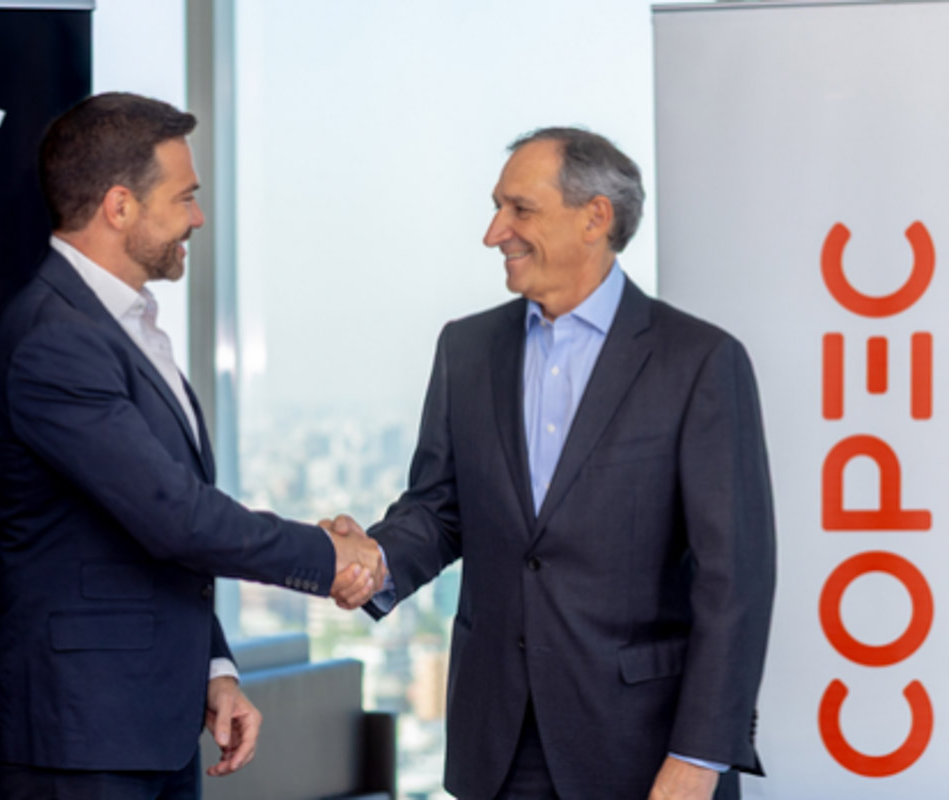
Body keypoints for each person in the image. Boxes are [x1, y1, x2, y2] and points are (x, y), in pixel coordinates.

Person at [331, 128, 776, 800]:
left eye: (521, 209)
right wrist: (375, 561)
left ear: (595, 217)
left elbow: (735, 578)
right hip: (497, 749)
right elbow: (440, 509)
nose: (494, 233)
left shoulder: (699, 362)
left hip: (645, 750)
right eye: (497, 208)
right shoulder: (466, 349)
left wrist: (699, 756)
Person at [0, 92, 379, 799]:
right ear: (120, 206)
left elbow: (146, 540)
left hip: (151, 729)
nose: (197, 217)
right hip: (81, 741)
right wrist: (329, 558)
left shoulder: (125, 326)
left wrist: (214, 671)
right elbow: (176, 516)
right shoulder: (55, 338)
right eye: (185, 197)